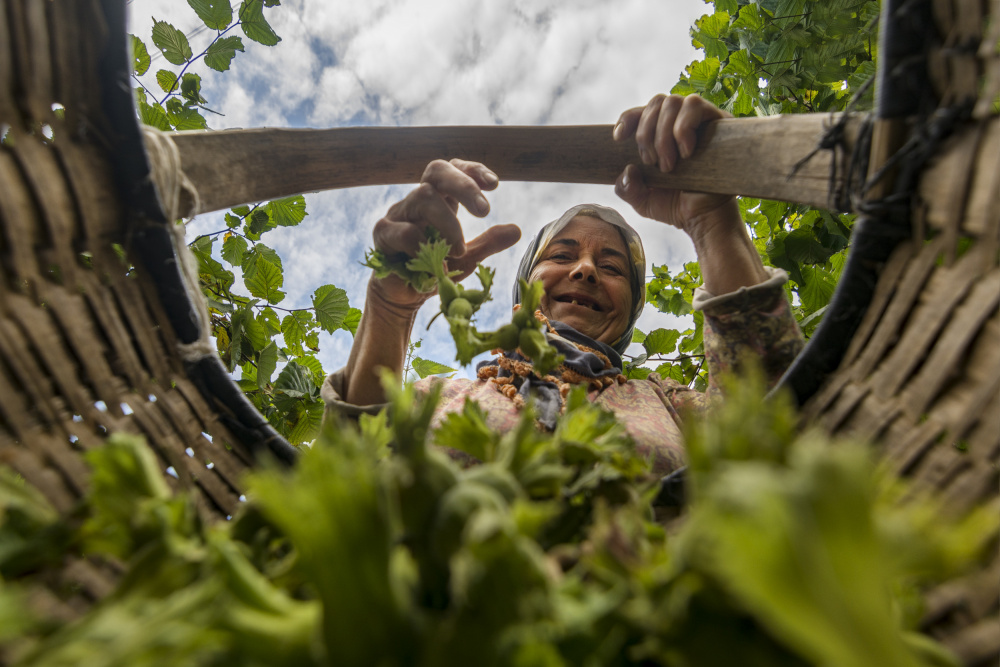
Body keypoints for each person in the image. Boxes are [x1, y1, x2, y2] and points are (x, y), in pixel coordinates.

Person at [322, 94, 804, 474]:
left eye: (613, 268)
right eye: (562, 255)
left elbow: (777, 433)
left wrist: (714, 222)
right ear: (522, 293)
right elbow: (349, 470)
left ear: (629, 313)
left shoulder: (673, 407)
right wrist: (389, 307)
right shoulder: (438, 399)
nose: (587, 270)